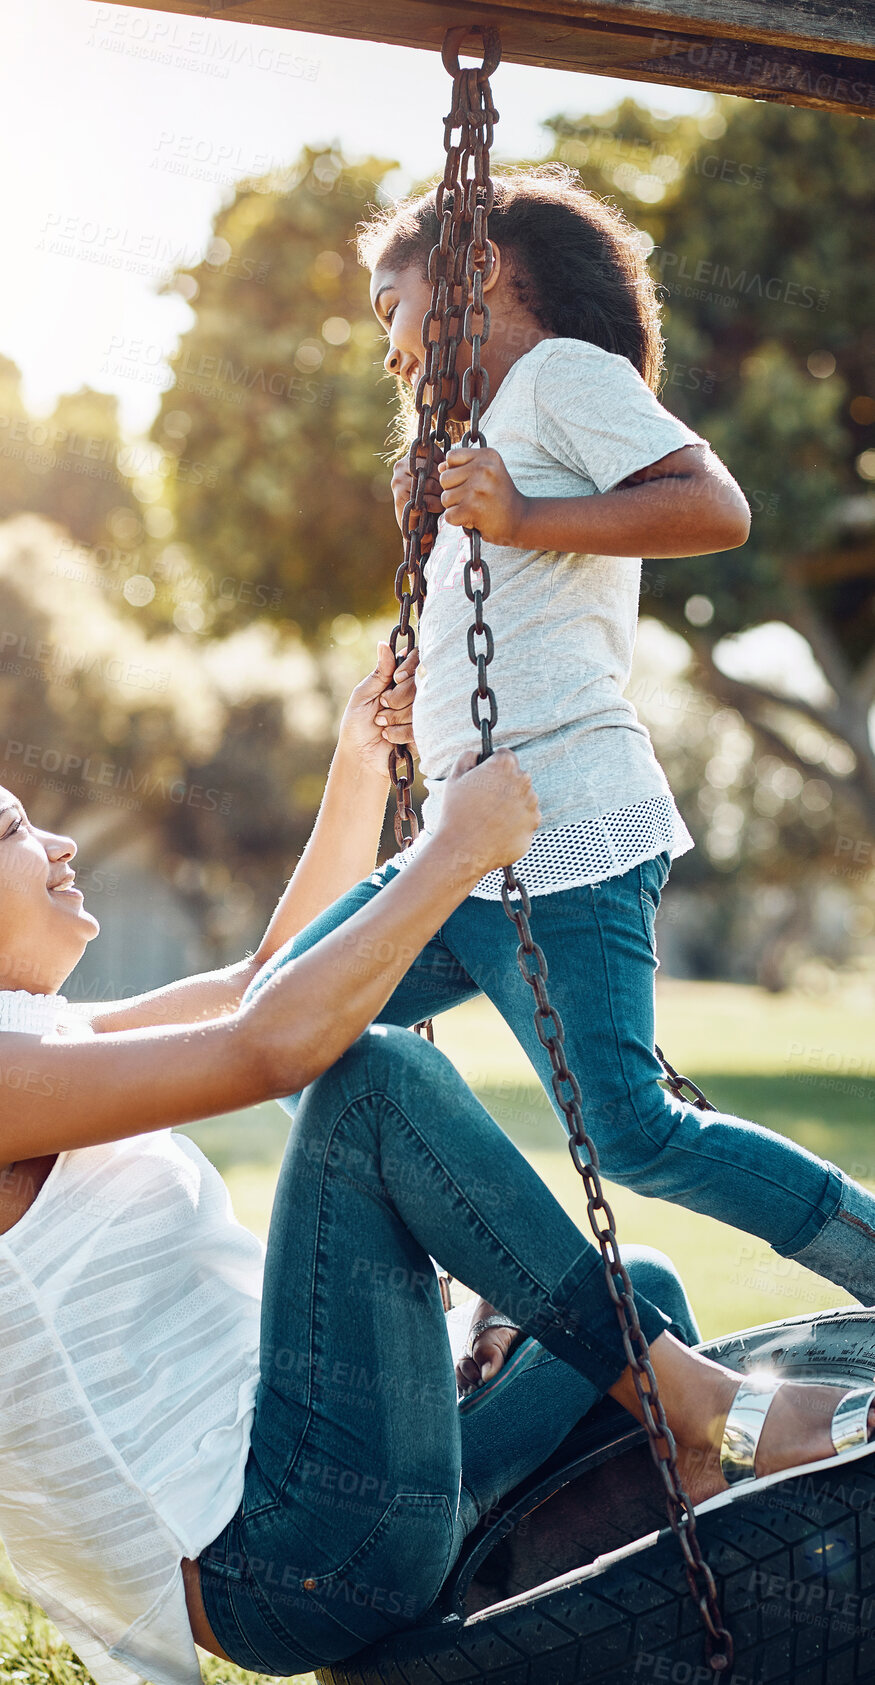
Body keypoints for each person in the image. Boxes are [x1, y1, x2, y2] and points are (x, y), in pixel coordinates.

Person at [0, 652, 872, 1685]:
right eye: (13, 832)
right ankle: (711, 1413)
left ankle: (560, 1547)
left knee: (638, 1295)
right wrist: (452, 851)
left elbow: (263, 982)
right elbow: (273, 1045)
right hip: (287, 1555)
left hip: (334, 1504)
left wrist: (362, 760)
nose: (57, 845)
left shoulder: (21, 1046)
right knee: (373, 1086)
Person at [243, 164, 875, 1327]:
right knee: (285, 1023)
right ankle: (489, 1288)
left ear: (476, 270)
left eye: (393, 309)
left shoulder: (556, 377)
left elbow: (712, 505)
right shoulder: (490, 435)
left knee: (629, 1129)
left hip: (568, 822)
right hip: (465, 842)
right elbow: (515, 619)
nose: (386, 351)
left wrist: (518, 515)